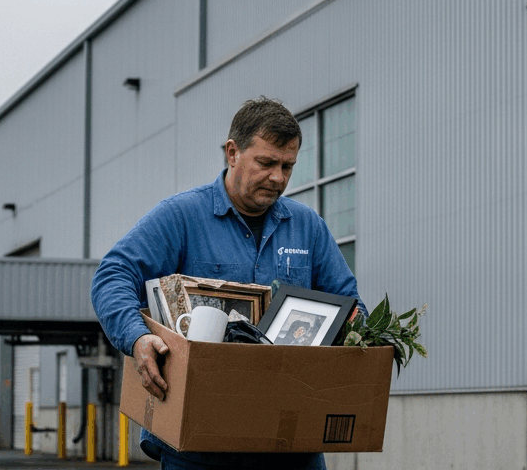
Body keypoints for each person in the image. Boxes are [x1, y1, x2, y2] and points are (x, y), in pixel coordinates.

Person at [90, 97, 365, 470]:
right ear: (232, 153)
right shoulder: (181, 216)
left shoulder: (308, 227)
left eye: (288, 166)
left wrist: (356, 334)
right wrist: (137, 337)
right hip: (200, 446)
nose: (279, 178)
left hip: (290, 446)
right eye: (266, 163)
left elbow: (349, 305)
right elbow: (113, 274)